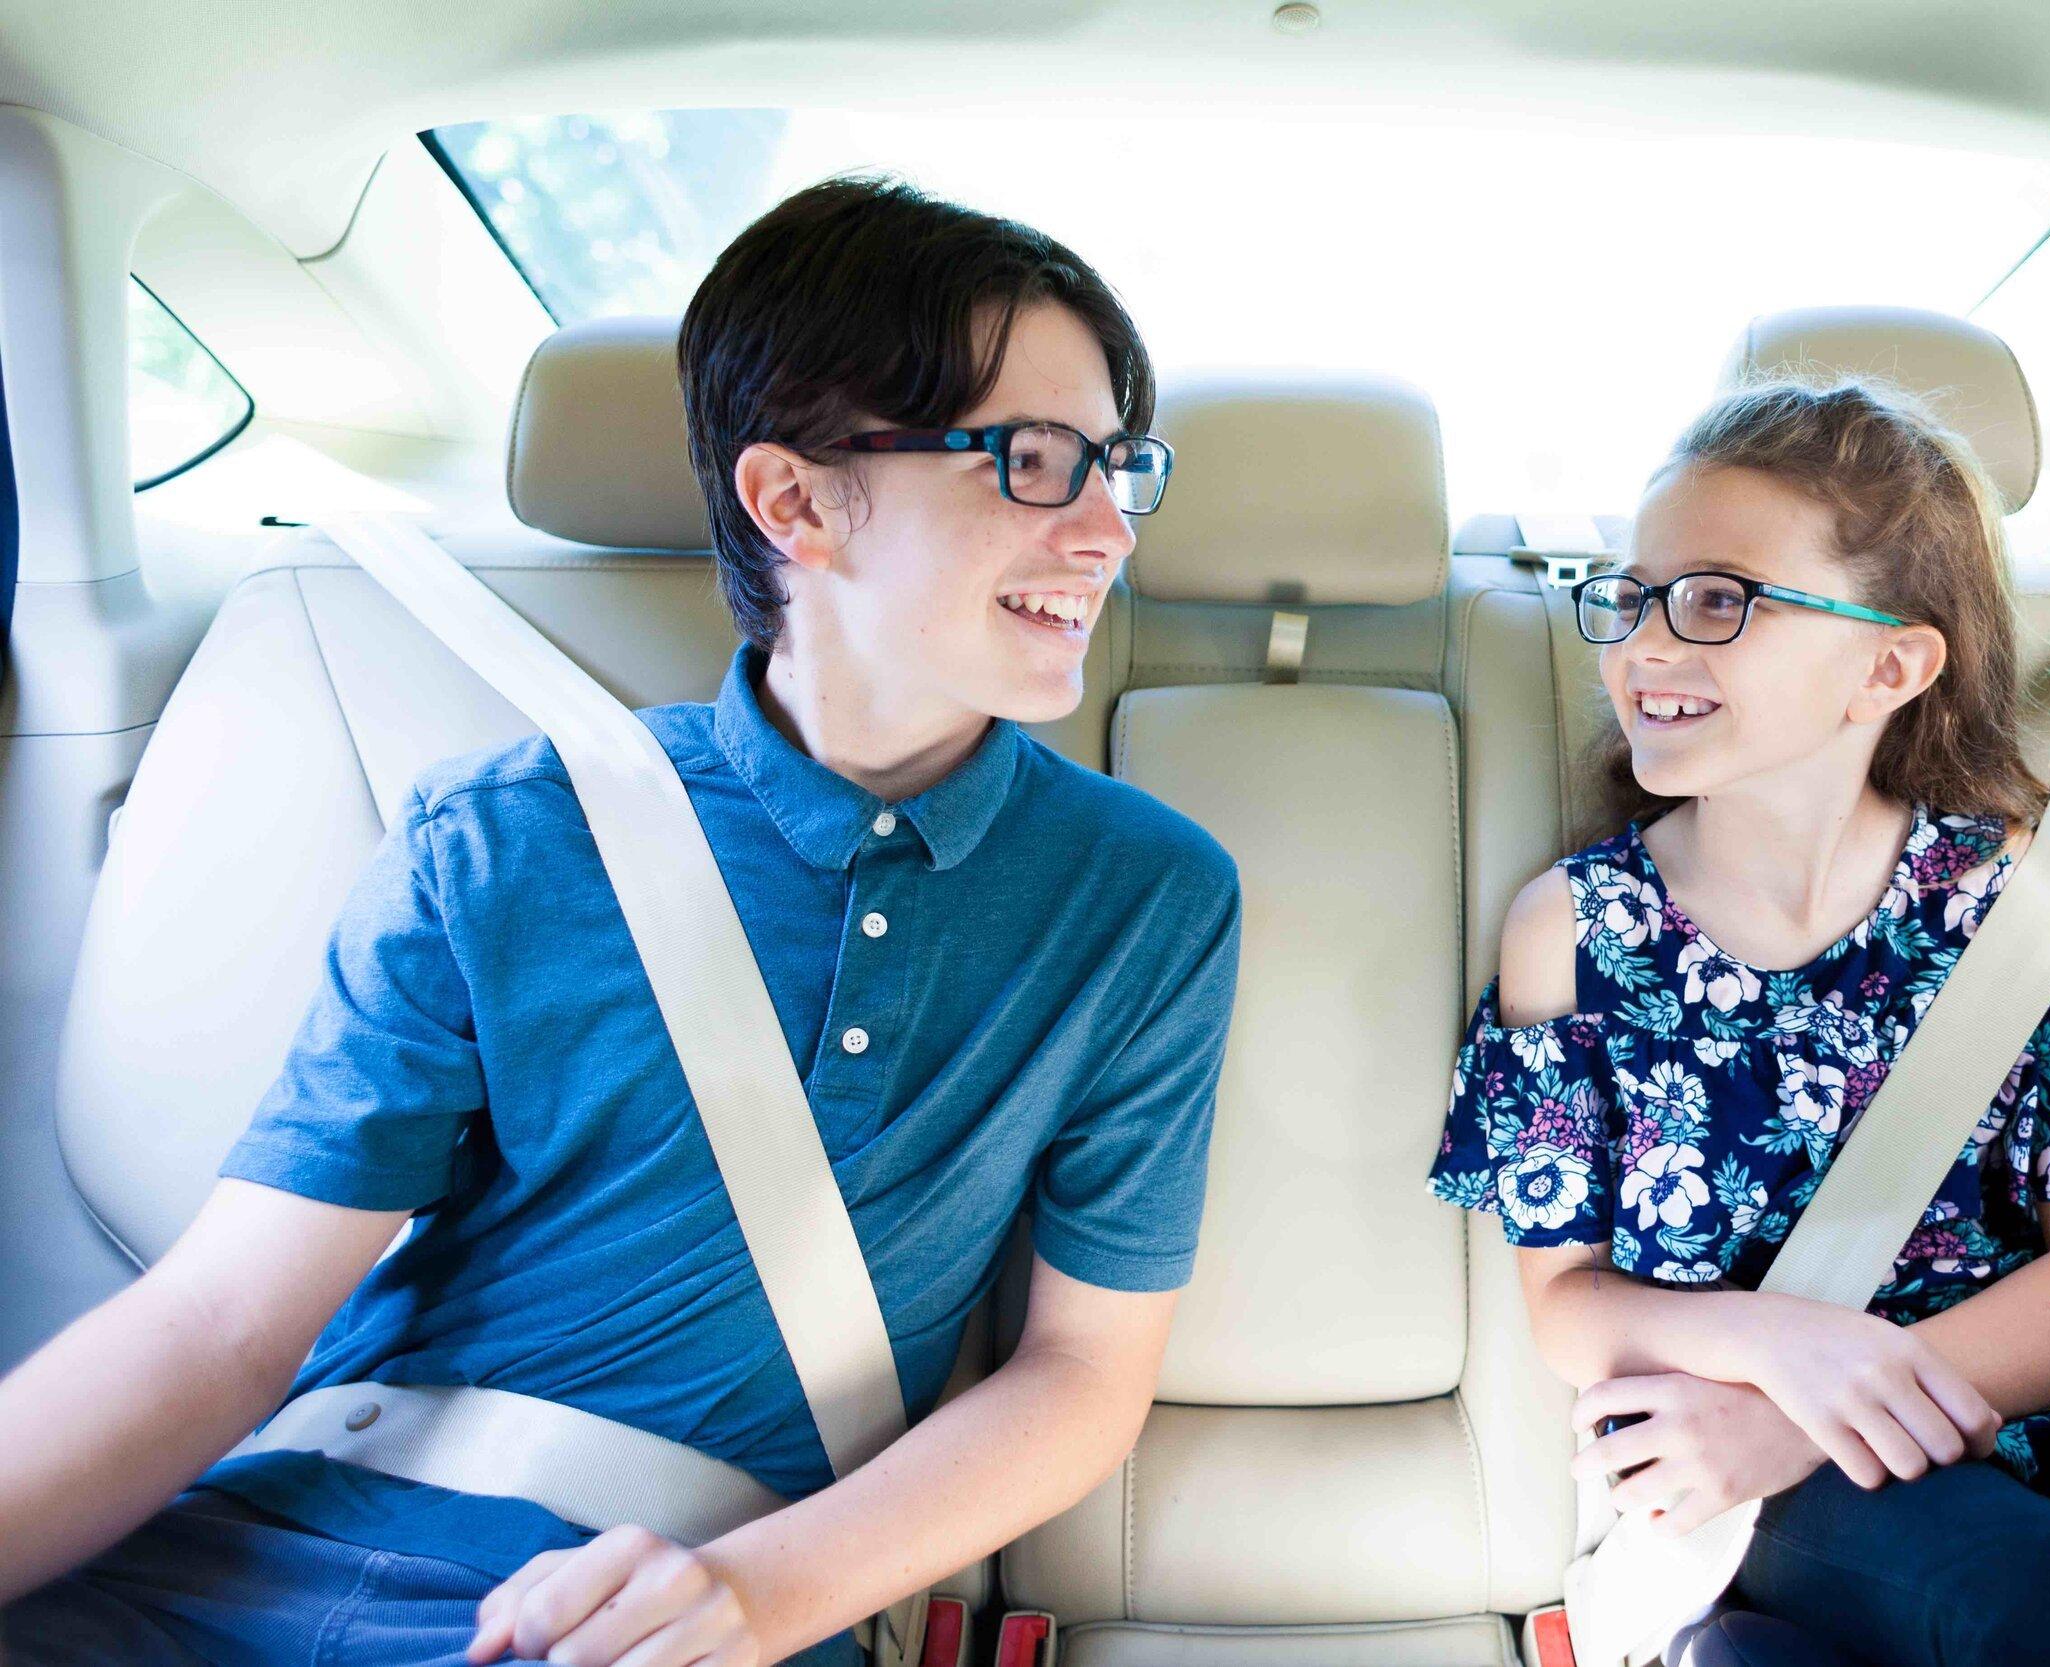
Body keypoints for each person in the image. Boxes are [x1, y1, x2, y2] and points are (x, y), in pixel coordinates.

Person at [0, 174, 1242, 1667]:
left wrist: (760, 1596)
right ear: (795, 500)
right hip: (247, 1542)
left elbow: (1084, 1374)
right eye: (1034, 460)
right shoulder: (501, 835)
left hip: (659, 1602)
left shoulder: (1144, 896)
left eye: (1120, 463)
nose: (1108, 528)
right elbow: (220, 1326)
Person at [1426, 376, 2050, 1665]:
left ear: (1889, 664)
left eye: (1719, 600)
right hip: (1750, 1452)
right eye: (1628, 597)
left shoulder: (2013, 902)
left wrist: (1832, 1402)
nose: (1642, 644)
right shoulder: (1574, 930)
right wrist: (1786, 1364)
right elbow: (1566, 1300)